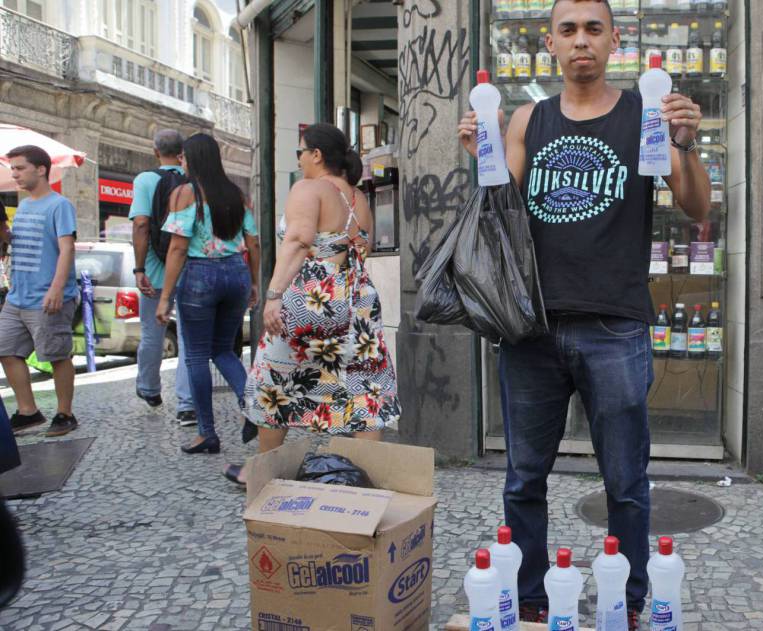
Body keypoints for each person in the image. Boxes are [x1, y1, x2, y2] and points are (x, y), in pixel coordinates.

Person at [457, 1, 711, 628]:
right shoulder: (526, 118)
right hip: (531, 326)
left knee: (625, 483)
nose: (580, 42)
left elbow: (697, 206)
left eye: (593, 29)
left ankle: (626, 603)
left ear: (614, 41)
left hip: (615, 325)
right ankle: (534, 601)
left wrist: (687, 142)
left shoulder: (644, 113)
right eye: (567, 30)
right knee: (523, 480)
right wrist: (480, 148)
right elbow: (498, 209)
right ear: (550, 43)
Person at [232, 123, 399, 484]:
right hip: (357, 300)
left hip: (312, 297)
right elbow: (361, 251)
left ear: (317, 155)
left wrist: (274, 295)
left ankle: (263, 470)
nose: (300, 159)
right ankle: (366, 475)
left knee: (273, 381)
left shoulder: (309, 189)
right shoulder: (358, 200)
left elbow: (297, 241)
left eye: (301, 152)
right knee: (363, 387)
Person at [155, 133, 260, 455]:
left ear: (194, 159)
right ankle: (253, 408)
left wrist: (165, 297)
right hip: (236, 275)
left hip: (200, 274)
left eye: (184, 157)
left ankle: (207, 434)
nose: (182, 162)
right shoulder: (236, 194)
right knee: (224, 351)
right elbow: (253, 242)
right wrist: (254, 282)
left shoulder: (184, 194)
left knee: (197, 355)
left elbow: (177, 247)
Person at [0, 145, 82, 437]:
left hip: (47, 296)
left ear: (41, 169)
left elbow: (66, 248)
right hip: (17, 296)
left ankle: (65, 414)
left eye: (20, 168)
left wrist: (57, 288)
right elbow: (22, 244)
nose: (15, 174)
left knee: (57, 355)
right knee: (6, 350)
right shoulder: (23, 206)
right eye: (13, 169)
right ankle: (28, 411)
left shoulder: (59, 205)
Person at [129, 129, 196, 425]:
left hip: (156, 273)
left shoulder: (145, 180)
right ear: (182, 153)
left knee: (151, 334)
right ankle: (187, 404)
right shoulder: (192, 181)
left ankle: (149, 388)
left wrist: (140, 268)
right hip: (190, 270)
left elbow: (142, 225)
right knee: (189, 340)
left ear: (156, 152)